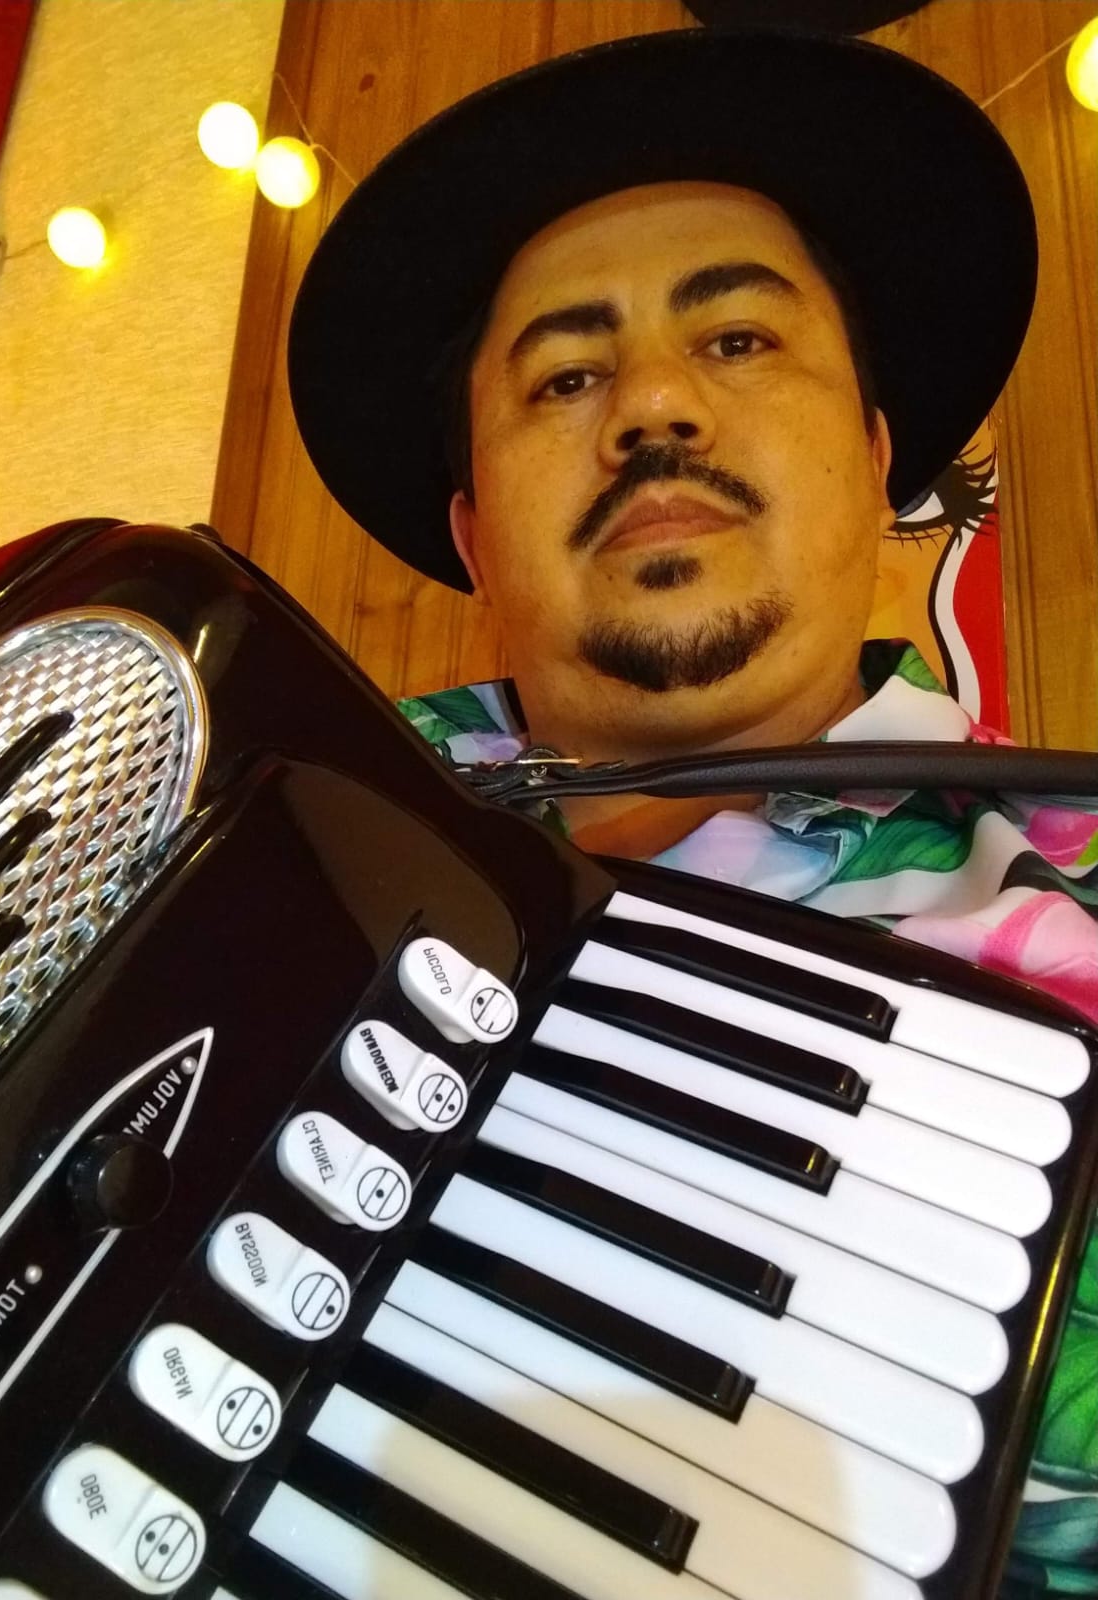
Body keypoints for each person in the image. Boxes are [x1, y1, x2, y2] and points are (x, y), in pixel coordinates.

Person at [287, 26, 1098, 1595]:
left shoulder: (1071, 891)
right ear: (475, 533)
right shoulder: (281, 798)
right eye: (567, 376)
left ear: (876, 459)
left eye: (737, 339)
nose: (654, 405)